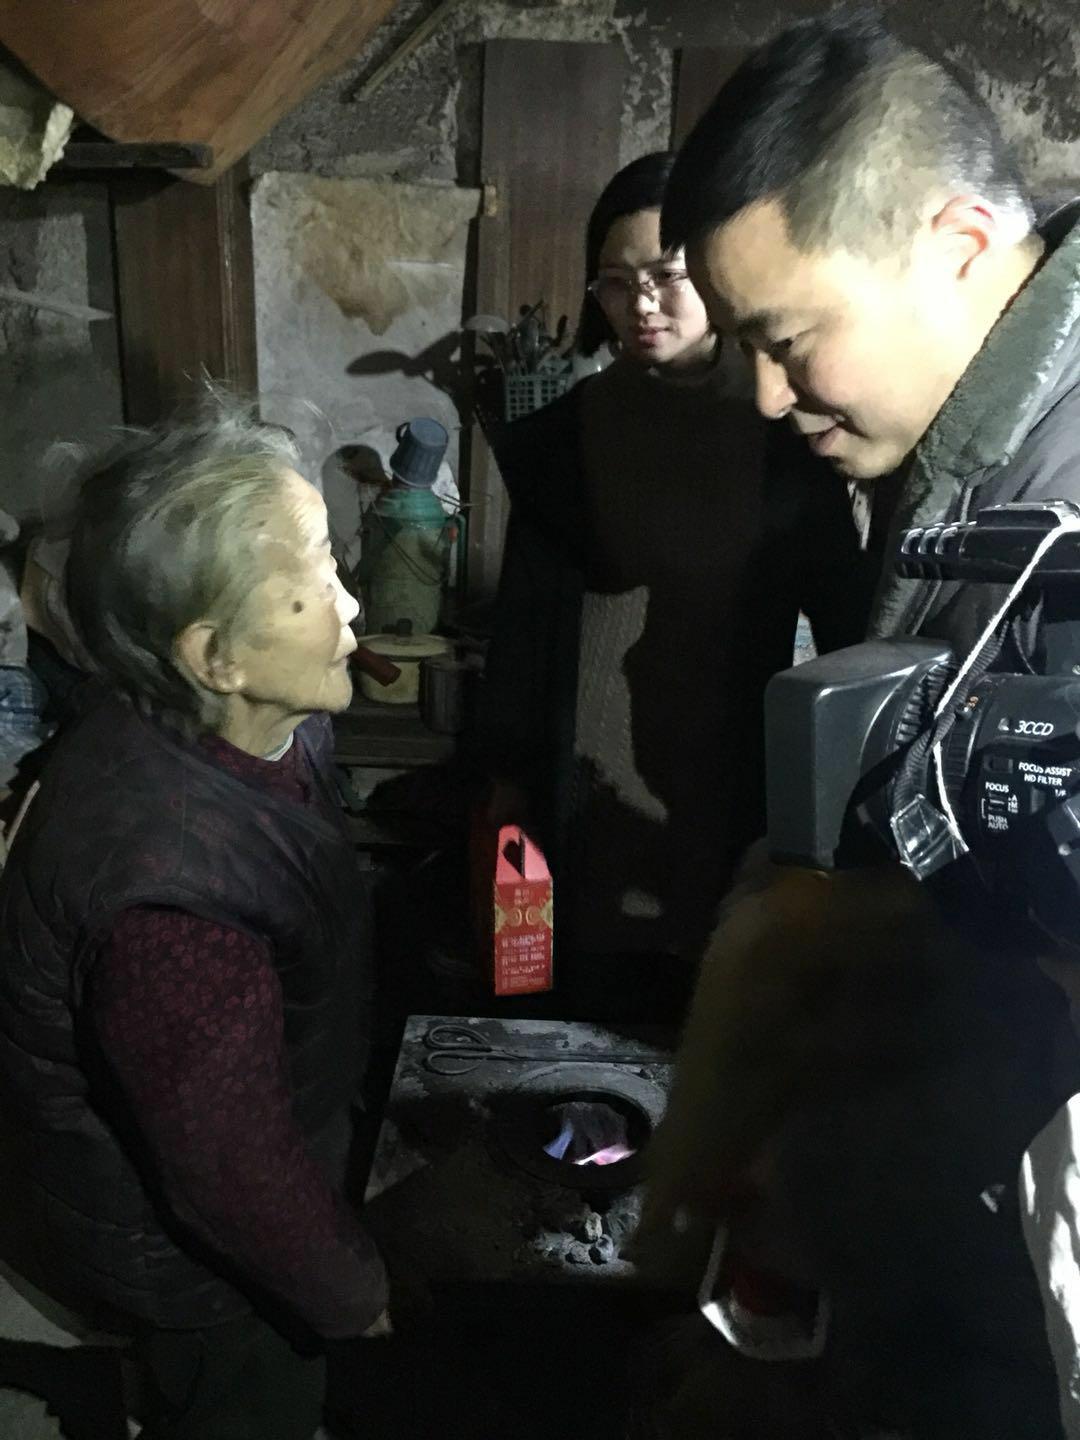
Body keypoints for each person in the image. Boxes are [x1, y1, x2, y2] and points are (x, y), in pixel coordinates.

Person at [648, 10, 1080, 1436]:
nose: (769, 395)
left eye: (789, 340)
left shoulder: (1065, 486)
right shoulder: (978, 452)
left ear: (957, 241)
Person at [0, 405, 390, 1440]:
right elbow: (233, 1178)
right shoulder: (170, 911)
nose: (352, 603)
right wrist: (351, 1295)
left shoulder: (247, 726)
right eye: (317, 580)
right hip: (204, 1275)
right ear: (215, 656)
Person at [476, 151, 875, 1023]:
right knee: (586, 1018)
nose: (642, 304)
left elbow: (848, 618)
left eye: (666, 277)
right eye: (616, 284)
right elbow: (524, 628)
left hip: (729, 781)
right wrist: (509, 786)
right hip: (588, 783)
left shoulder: (785, 432)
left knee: (714, 1013)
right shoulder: (562, 438)